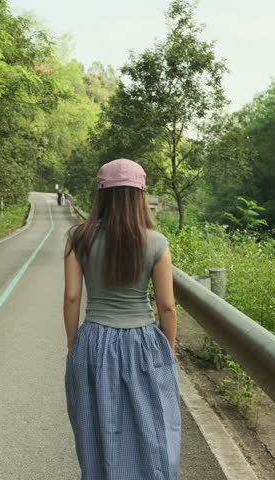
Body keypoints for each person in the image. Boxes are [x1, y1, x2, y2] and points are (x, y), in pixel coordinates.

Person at [63, 158, 181, 480]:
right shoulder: (156, 243)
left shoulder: (78, 238)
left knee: (97, 428)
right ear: (140, 195)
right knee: (152, 428)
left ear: (101, 194)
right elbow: (167, 307)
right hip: (142, 341)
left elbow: (72, 297)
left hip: (94, 340)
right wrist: (167, 351)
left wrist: (74, 344)